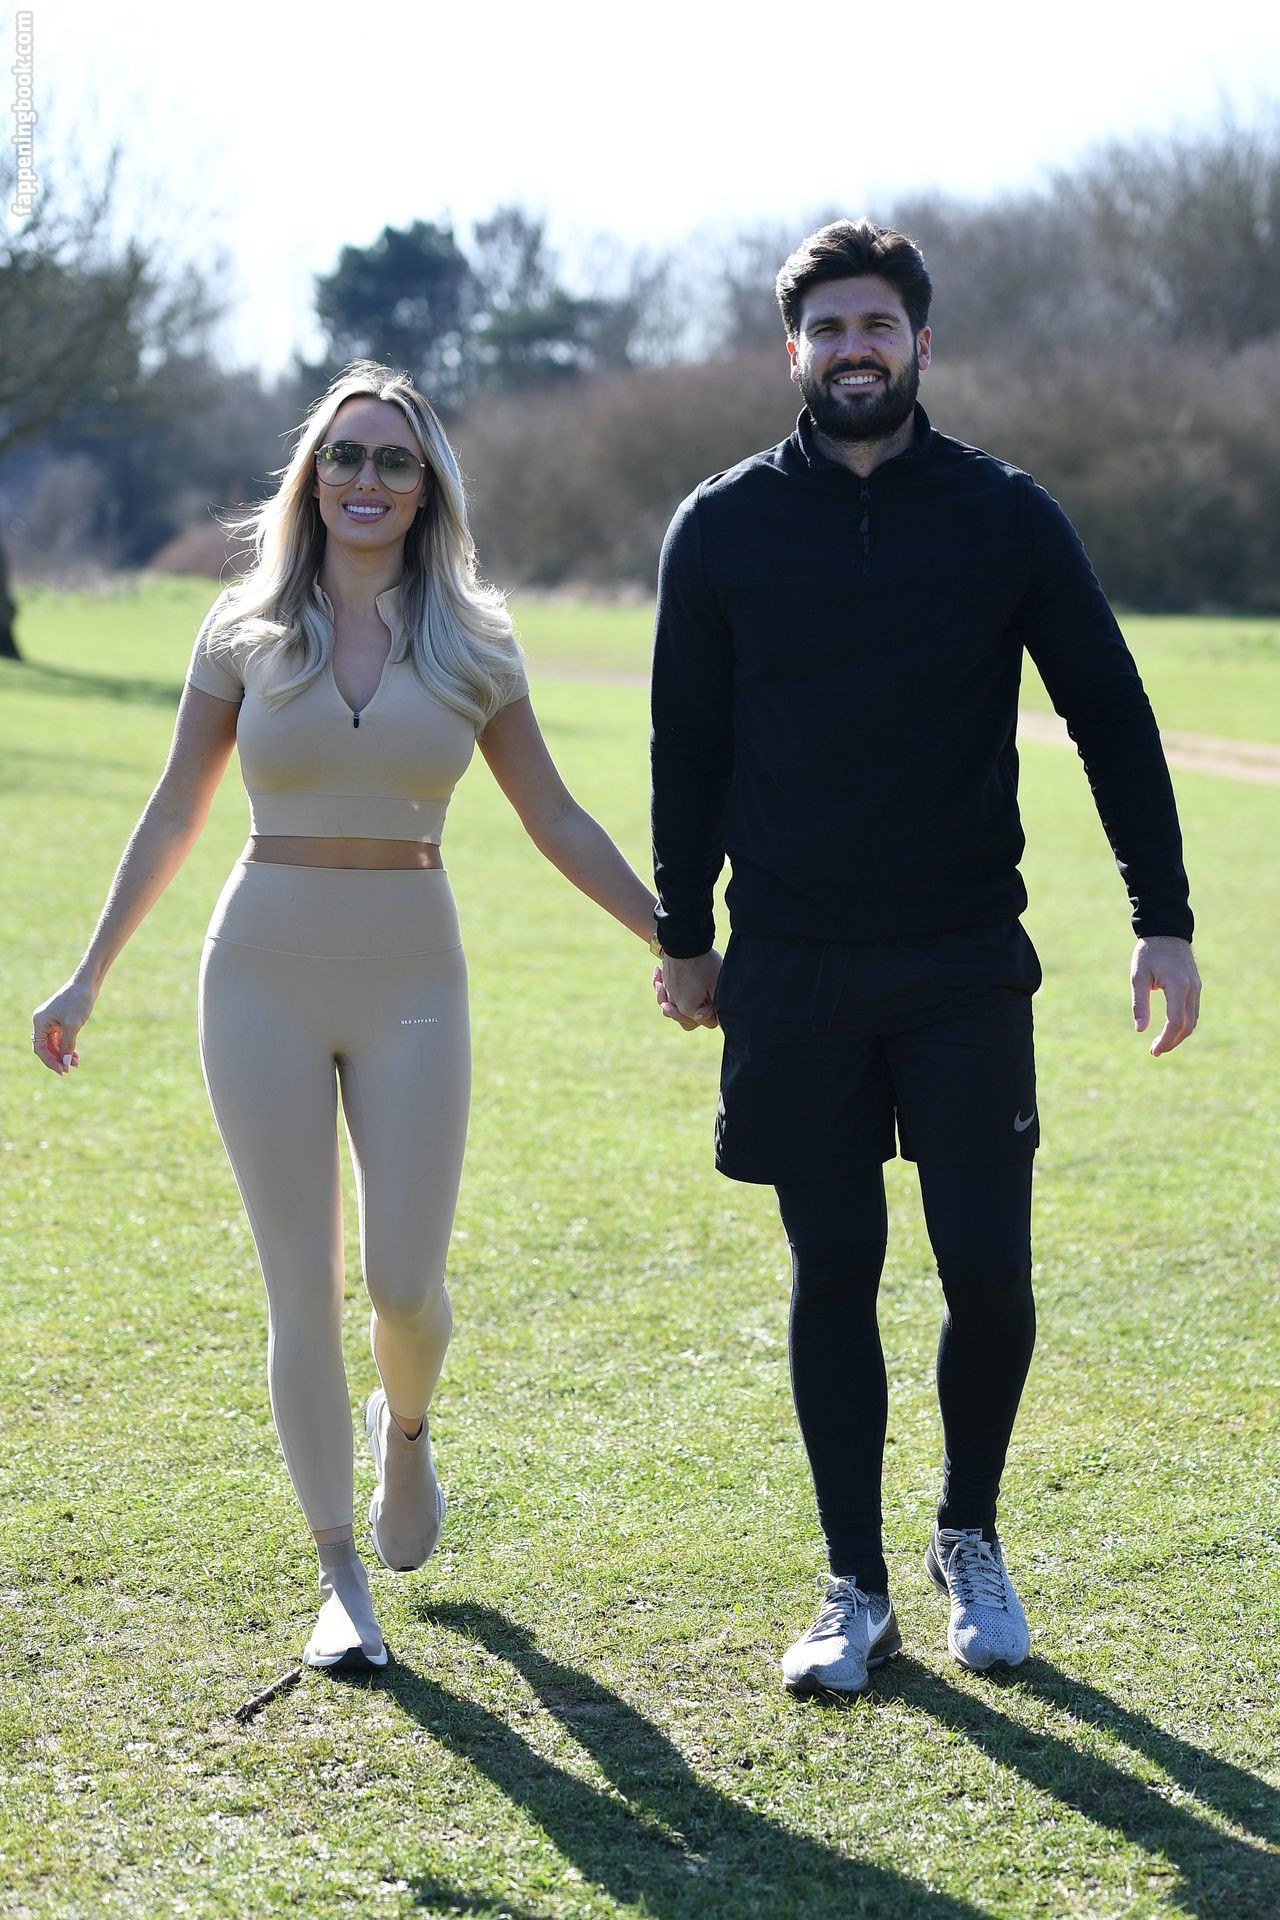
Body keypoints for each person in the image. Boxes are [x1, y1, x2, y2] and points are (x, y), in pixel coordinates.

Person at [32, 362, 664, 1673]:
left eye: (392, 459)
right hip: (257, 970)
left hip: (414, 975)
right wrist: (90, 972)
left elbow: (553, 815)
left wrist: (674, 938)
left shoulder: (476, 640)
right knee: (301, 1288)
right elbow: (175, 808)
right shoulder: (242, 628)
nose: (365, 479)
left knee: (403, 1282)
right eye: (344, 454)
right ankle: (339, 1580)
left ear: (427, 488)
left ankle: (408, 1426)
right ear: (311, 477)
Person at [649, 220, 1200, 1696]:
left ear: (921, 344)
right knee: (834, 1268)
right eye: (828, 328)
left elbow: (1109, 709)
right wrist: (686, 934)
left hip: (962, 959)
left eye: (877, 325)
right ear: (793, 350)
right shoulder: (721, 527)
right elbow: (685, 745)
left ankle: (969, 1534)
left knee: (991, 1274)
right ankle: (855, 1584)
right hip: (794, 964)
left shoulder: (1005, 517)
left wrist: (1162, 916)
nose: (855, 350)